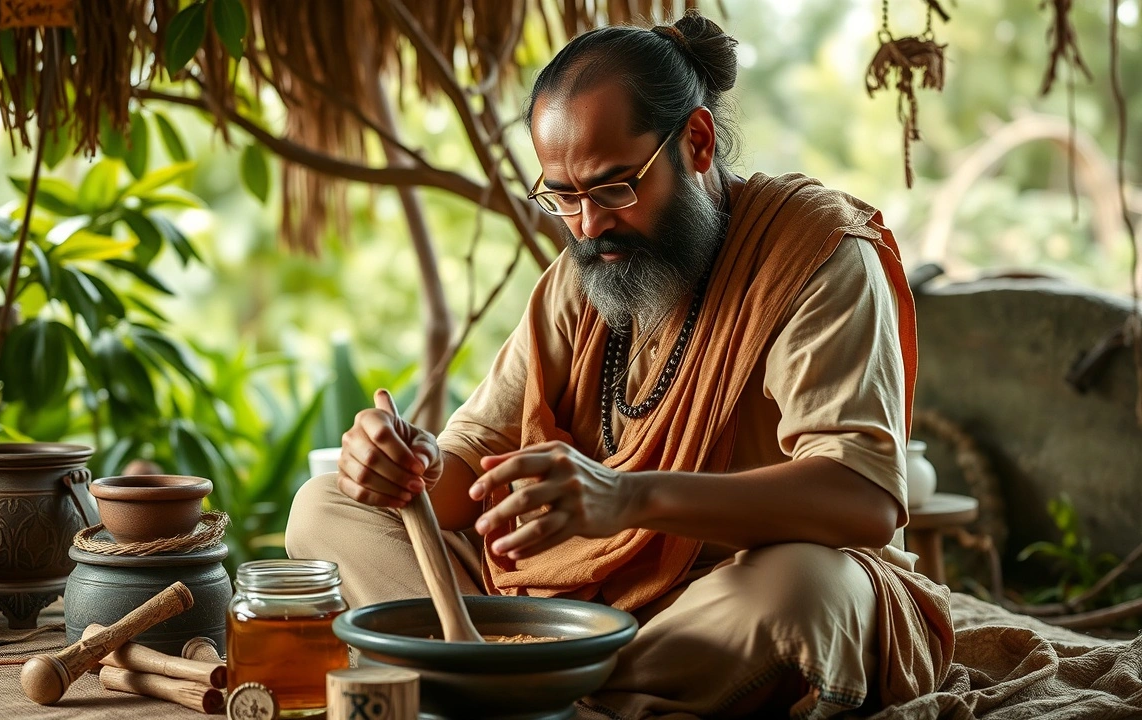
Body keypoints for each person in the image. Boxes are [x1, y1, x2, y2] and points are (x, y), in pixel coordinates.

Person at [287, 10, 953, 718]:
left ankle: (514, 689)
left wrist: (629, 498)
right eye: (563, 196)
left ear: (696, 142)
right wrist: (408, 467)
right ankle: (543, 687)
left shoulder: (813, 254)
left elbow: (862, 498)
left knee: (804, 592)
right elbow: (472, 474)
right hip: (574, 605)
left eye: (613, 188)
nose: (588, 224)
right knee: (325, 507)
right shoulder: (584, 277)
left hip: (724, 594)